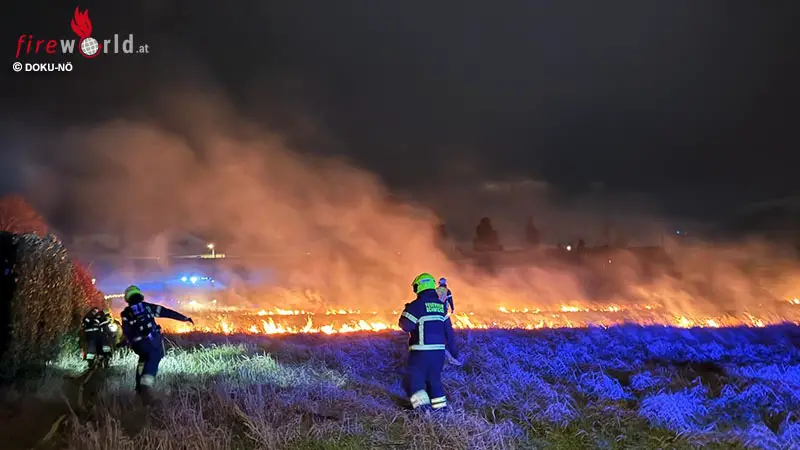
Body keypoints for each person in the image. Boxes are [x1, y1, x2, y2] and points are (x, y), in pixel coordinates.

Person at [120, 285, 193, 403]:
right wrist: (184, 318)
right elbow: (166, 312)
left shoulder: (125, 313)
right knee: (155, 356)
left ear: (127, 298)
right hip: (151, 341)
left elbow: (126, 330)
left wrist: (129, 341)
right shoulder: (147, 307)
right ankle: (146, 387)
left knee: (143, 361)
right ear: (139, 295)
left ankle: (138, 389)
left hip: (137, 345)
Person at [399, 273, 459, 411]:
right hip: (439, 354)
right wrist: (454, 352)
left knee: (415, 381)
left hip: (421, 352)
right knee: (434, 381)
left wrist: (406, 310)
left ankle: (423, 414)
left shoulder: (416, 306)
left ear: (419, 287)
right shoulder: (441, 306)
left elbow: (405, 326)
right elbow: (448, 332)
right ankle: (441, 412)